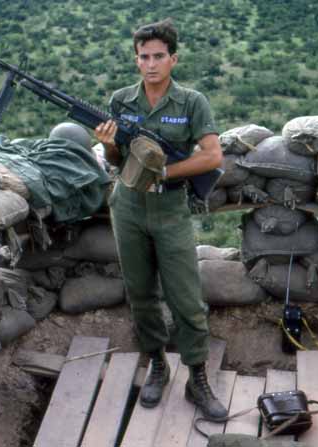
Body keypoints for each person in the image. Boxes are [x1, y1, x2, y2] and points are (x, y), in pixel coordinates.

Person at [94, 19, 227, 420]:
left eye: (158, 56)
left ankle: (197, 379)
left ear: (173, 59)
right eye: (143, 57)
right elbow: (117, 158)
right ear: (136, 61)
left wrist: (166, 172)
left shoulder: (191, 102)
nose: (150, 64)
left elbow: (212, 156)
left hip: (170, 208)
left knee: (186, 298)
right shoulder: (121, 100)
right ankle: (156, 364)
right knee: (140, 295)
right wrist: (109, 146)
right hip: (129, 206)